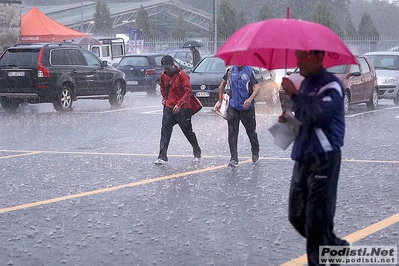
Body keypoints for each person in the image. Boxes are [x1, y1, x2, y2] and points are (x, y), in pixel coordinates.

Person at [279, 50, 349, 265]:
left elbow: (316, 116)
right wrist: (289, 120)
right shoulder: (307, 83)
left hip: (324, 159)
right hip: (302, 156)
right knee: (297, 215)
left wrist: (293, 96)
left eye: (303, 57)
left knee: (316, 221)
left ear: (318, 59)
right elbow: (304, 117)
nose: (298, 60)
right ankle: (335, 247)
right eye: (297, 56)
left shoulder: (331, 86)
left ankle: (321, 256)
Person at [155, 55, 201, 165]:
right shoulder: (163, 76)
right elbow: (162, 86)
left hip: (183, 108)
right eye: (164, 67)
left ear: (173, 64)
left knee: (188, 132)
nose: (166, 70)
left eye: (168, 67)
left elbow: (188, 91)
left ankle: (197, 151)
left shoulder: (182, 75)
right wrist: (164, 99)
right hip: (169, 107)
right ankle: (162, 156)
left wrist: (180, 104)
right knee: (165, 130)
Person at [214, 65, 260, 167]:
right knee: (232, 133)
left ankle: (255, 151)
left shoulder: (249, 71)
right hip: (233, 107)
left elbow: (257, 87)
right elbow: (222, 85)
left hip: (247, 108)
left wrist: (250, 99)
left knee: (251, 132)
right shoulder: (230, 71)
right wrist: (220, 101)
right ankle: (233, 158)